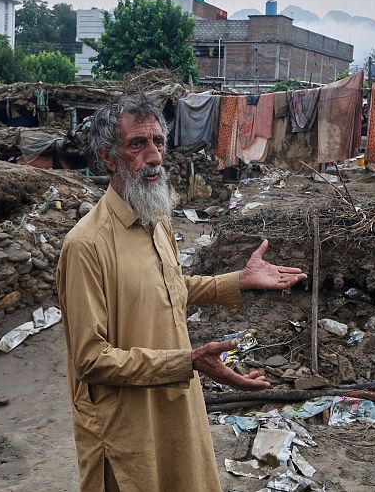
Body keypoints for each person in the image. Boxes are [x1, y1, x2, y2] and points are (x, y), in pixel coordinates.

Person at [57, 93, 307, 492]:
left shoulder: (156, 221)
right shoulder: (86, 245)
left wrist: (237, 280)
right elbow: (90, 360)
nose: (154, 156)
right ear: (108, 158)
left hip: (175, 407)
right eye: (137, 144)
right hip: (125, 427)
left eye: (158, 141)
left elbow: (169, 290)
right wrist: (186, 362)